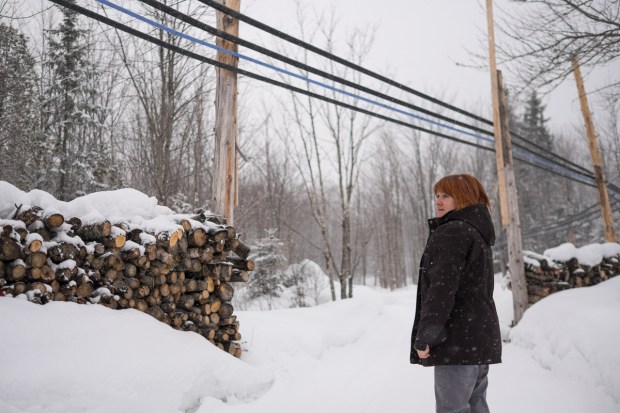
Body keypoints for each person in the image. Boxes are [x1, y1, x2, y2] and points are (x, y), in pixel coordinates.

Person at [410, 173, 502, 413]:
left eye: (446, 196)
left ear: (462, 197)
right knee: (476, 404)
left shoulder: (453, 232)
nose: (438, 201)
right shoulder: (476, 231)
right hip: (477, 339)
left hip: (457, 342)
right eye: (437, 196)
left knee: (453, 409)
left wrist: (426, 336)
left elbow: (441, 290)